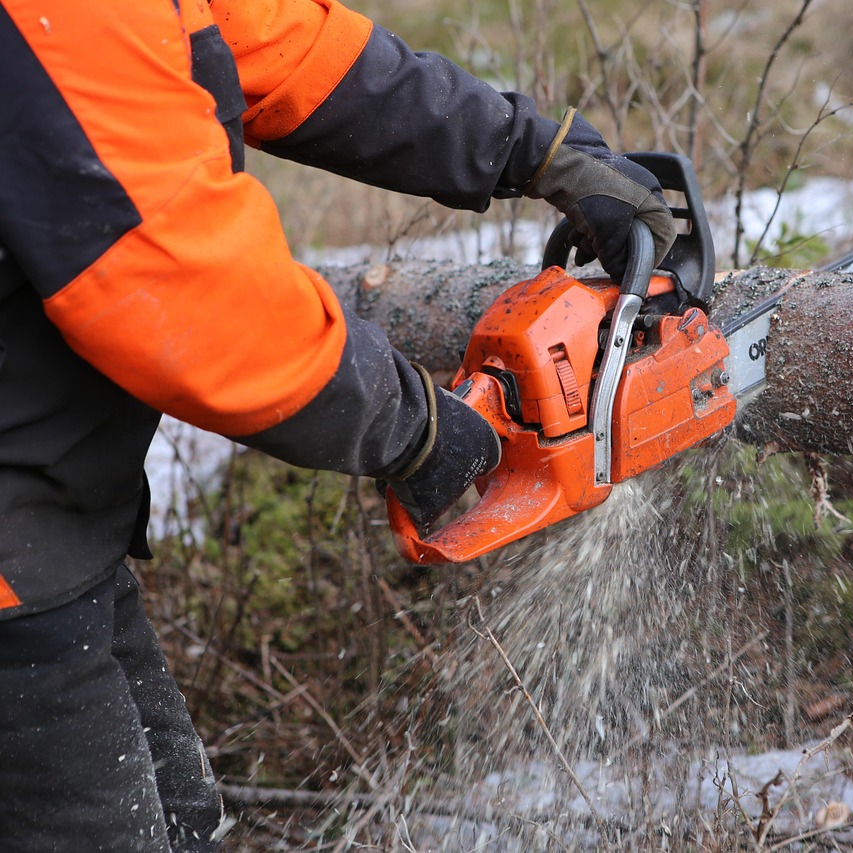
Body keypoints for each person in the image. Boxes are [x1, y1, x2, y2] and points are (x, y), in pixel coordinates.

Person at [0, 0, 676, 848]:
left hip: (53, 534)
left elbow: (286, 47)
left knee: (179, 824)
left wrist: (525, 147)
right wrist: (415, 427)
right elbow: (185, 296)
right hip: (16, 558)